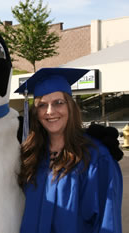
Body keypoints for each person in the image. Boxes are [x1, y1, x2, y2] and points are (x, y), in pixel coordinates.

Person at [15, 67, 123, 233]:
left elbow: (107, 221)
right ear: (36, 112)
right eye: (42, 105)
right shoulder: (32, 155)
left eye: (58, 102)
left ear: (70, 107)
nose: (50, 111)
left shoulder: (96, 157)